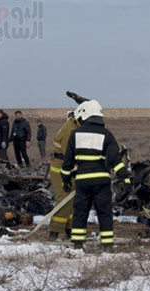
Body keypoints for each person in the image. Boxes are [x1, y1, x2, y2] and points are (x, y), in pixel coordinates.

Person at [61, 100, 130, 250]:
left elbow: (67, 162)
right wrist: (125, 177)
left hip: (82, 181)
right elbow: (114, 159)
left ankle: (78, 245)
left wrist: (65, 179)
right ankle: (107, 245)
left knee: (80, 212)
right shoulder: (107, 134)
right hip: (101, 181)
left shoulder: (75, 134)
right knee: (104, 213)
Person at [48, 91, 89, 241]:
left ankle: (70, 229)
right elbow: (70, 155)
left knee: (73, 200)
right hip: (61, 169)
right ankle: (54, 231)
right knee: (65, 199)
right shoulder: (69, 131)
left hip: (69, 168)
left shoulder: (76, 126)